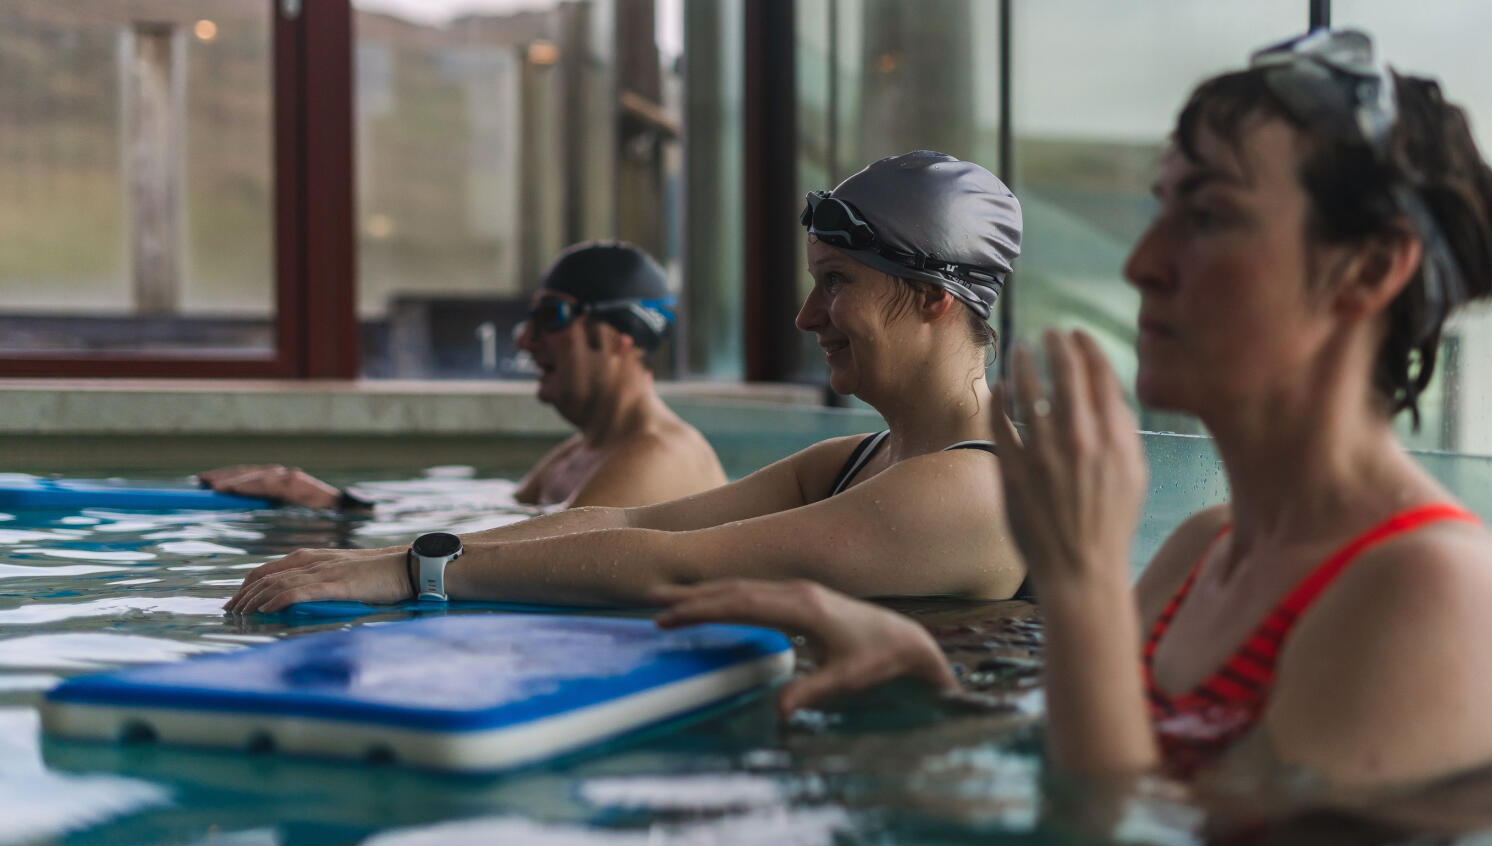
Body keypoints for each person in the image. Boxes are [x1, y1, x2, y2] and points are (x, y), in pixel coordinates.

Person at [653, 30, 1492, 794]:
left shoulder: (1436, 595)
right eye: (1160, 207)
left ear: (1367, 270)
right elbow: (1131, 782)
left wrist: (1078, 579)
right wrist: (930, 692)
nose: (1143, 263)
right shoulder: (1200, 556)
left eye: (1207, 215)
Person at [225, 150, 1027, 614]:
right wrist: (390, 550)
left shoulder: (971, 486)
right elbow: (631, 518)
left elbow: (679, 566)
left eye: (838, 281)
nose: (807, 316)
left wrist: (413, 573)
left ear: (934, 299)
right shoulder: (854, 461)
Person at [201, 241, 728, 511]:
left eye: (551, 317)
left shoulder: (655, 457)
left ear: (621, 336)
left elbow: (545, 556)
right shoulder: (583, 452)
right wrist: (329, 499)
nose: (523, 339)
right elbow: (495, 516)